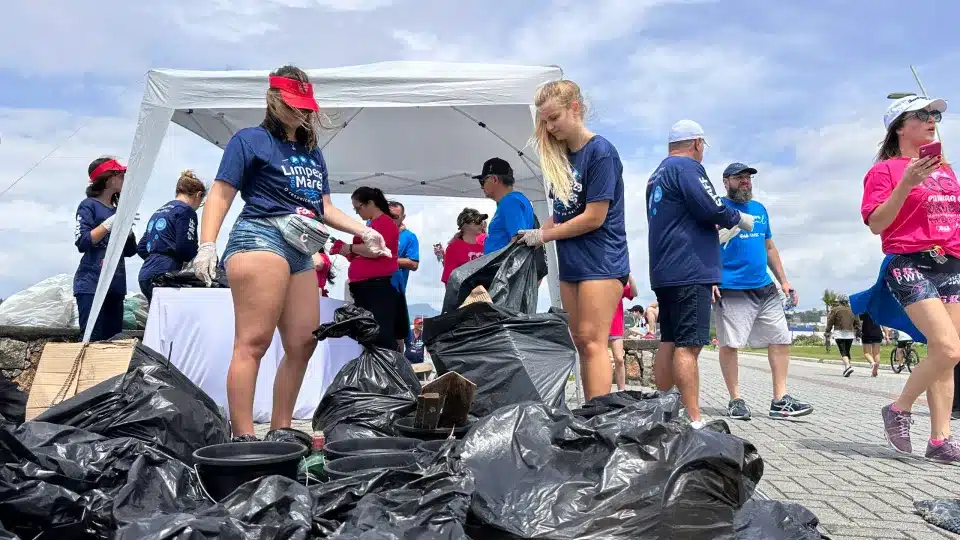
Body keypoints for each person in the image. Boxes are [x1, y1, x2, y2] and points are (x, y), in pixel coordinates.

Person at [193, 65, 390, 442]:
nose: (303, 113)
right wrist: (208, 242)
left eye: (306, 106)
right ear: (275, 100)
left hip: (302, 246)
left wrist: (363, 229)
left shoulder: (312, 152)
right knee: (254, 341)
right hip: (260, 235)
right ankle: (244, 437)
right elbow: (221, 193)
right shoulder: (249, 140)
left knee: (303, 342)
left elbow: (325, 207)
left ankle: (281, 430)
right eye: (295, 105)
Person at [855, 94, 960, 462]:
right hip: (910, 261)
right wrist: (908, 181)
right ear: (900, 126)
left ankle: (939, 440)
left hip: (951, 265)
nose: (933, 119)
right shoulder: (883, 172)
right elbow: (877, 224)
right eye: (923, 114)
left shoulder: (946, 169)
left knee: (943, 355)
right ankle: (899, 408)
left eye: (935, 114)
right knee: (950, 348)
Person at [515, 79, 629, 401]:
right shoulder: (561, 159)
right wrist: (535, 231)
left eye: (554, 118)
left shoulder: (600, 152)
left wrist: (545, 235)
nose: (549, 128)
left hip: (602, 261)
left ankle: (598, 417)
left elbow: (595, 217)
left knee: (594, 342)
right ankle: (591, 411)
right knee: (580, 340)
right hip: (572, 262)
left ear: (574, 108)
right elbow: (562, 214)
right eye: (545, 121)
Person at [645, 120, 755, 428]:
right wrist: (737, 218)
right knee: (689, 345)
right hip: (690, 268)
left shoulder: (657, 175)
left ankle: (663, 412)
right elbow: (711, 206)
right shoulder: (688, 169)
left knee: (669, 339)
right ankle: (693, 418)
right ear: (697, 143)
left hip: (665, 268)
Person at [714, 162, 813, 420]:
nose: (745, 181)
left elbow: (769, 247)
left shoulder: (759, 210)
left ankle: (779, 400)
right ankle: (736, 399)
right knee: (731, 343)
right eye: (739, 178)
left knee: (780, 338)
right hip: (731, 286)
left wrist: (784, 280)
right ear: (726, 181)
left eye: (748, 177)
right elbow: (705, 247)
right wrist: (709, 279)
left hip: (764, 286)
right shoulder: (717, 209)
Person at [74, 156, 139, 341]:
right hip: (92, 283)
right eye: (121, 175)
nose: (124, 179)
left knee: (112, 341)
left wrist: (128, 233)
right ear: (109, 179)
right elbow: (83, 241)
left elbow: (130, 251)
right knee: (91, 338)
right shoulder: (88, 206)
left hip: (116, 284)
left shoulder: (119, 209)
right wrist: (108, 225)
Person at [334, 187, 402, 350]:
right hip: (366, 286)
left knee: (379, 333)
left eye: (359, 208)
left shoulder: (384, 223)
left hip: (376, 287)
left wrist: (350, 248)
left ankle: (383, 368)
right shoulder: (372, 224)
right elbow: (365, 253)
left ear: (370, 203)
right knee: (369, 332)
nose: (357, 213)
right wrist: (346, 251)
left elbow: (375, 250)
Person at [137, 170, 207, 302]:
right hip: (166, 273)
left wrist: (157, 256)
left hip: (145, 273)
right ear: (199, 195)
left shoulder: (158, 212)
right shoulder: (186, 211)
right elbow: (185, 248)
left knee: (158, 318)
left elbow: (141, 248)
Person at [475, 158, 536, 254]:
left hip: (505, 268)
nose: (481, 187)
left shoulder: (510, 202)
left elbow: (519, 241)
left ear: (494, 179)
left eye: (482, 181)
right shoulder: (515, 199)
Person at [387, 200, 417, 350]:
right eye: (387, 215)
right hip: (370, 291)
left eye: (395, 216)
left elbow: (414, 264)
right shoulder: (371, 230)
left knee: (397, 336)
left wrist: (387, 259)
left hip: (395, 295)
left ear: (403, 217)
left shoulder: (409, 237)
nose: (391, 219)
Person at [441, 208, 487, 283]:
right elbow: (449, 280)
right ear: (465, 225)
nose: (481, 223)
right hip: (466, 293)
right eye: (477, 221)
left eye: (481, 221)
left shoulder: (487, 243)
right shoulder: (453, 248)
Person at [609, 275, 638, 391]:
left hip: (615, 326)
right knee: (602, 359)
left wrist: (629, 275)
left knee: (619, 359)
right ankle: (603, 390)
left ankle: (622, 390)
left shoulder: (618, 283)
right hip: (599, 325)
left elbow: (634, 293)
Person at [825, 297, 859, 377]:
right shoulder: (853, 310)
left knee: (842, 351)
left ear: (839, 302)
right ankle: (847, 370)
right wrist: (858, 333)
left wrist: (827, 331)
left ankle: (848, 366)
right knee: (847, 351)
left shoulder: (835, 310)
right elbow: (857, 322)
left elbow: (830, 321)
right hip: (850, 333)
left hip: (839, 332)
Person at [859, 312, 884, 377]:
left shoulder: (863, 312)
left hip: (867, 333)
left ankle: (873, 364)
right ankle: (875, 371)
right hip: (878, 333)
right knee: (877, 353)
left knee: (866, 353)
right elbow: (883, 323)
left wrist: (859, 332)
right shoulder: (877, 312)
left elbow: (860, 323)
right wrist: (886, 334)